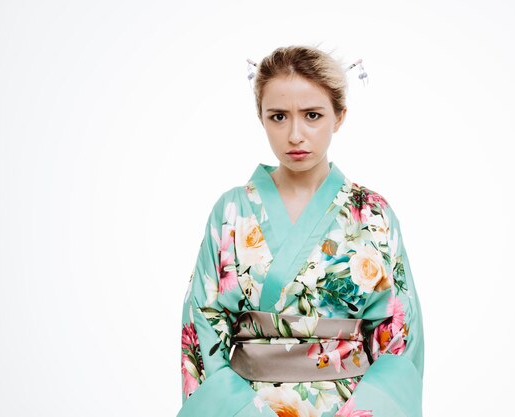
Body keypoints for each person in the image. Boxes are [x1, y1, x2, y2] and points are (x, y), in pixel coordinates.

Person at [178, 45, 424, 417]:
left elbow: (399, 333)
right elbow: (203, 323)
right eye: (278, 116)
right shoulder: (231, 211)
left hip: (351, 406)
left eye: (312, 115)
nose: (295, 134)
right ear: (261, 117)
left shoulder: (372, 212)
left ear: (338, 116)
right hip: (247, 406)